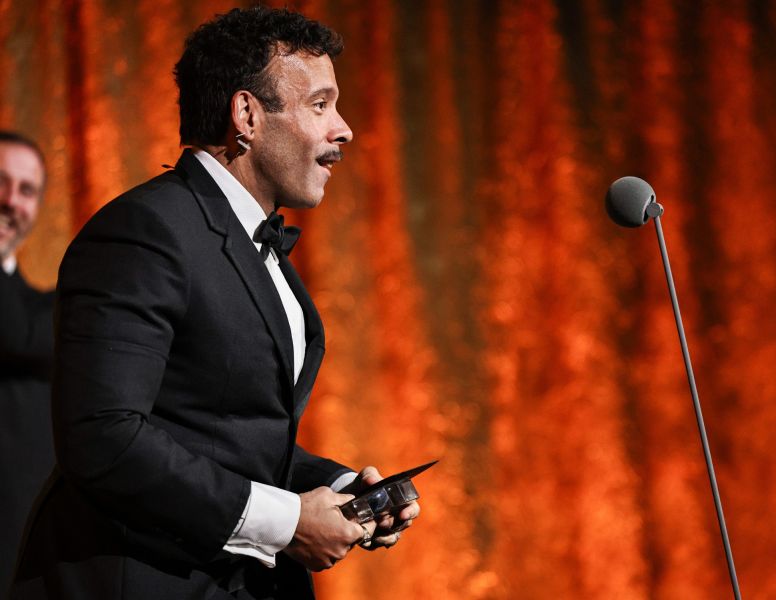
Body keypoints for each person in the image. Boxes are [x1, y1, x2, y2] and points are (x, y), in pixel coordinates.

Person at [11, 7, 420, 600]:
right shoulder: (144, 231)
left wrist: (338, 489)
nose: (345, 129)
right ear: (246, 115)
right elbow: (103, 437)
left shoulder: (253, 241)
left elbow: (225, 437)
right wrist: (287, 523)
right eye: (320, 104)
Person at [0, 131, 54, 597]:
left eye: (26, 189)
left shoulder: (47, 315)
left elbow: (16, 335)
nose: (9, 200)